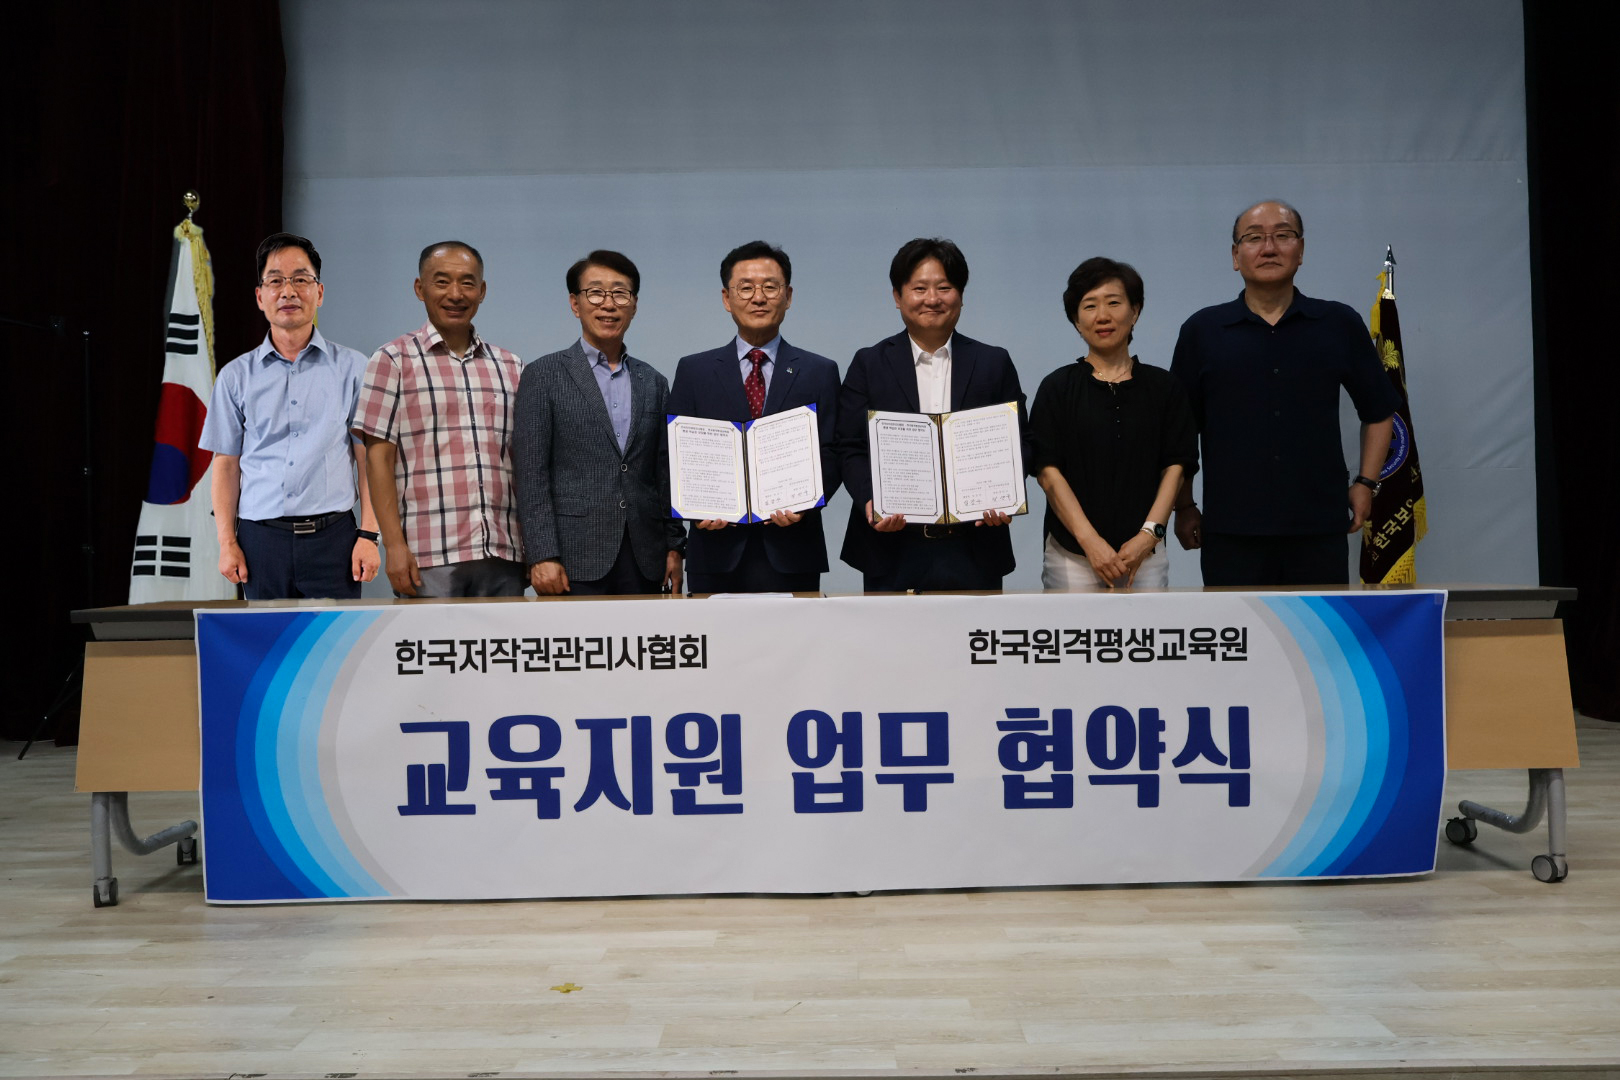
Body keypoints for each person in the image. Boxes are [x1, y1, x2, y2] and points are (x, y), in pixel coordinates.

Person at [1170, 200, 1401, 586]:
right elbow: (1179, 430)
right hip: (1231, 529)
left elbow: (1378, 409)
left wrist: (1366, 483)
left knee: (1319, 626)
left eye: (1283, 235)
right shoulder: (1203, 330)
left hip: (1319, 526)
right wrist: (1185, 504)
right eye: (1254, 238)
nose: (1269, 248)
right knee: (1235, 626)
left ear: (1301, 250)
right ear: (1235, 256)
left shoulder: (1338, 323)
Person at [835, 237, 1029, 592]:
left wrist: (1004, 497)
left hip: (976, 544)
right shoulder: (869, 363)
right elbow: (849, 446)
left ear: (961, 296)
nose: (932, 298)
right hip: (889, 546)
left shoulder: (993, 362)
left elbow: (1020, 443)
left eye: (944, 287)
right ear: (898, 297)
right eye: (919, 288)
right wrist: (870, 501)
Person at [200, 232, 379, 599]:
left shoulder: (354, 369)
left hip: (335, 542)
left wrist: (368, 534)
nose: (288, 291)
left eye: (301, 279)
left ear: (319, 292)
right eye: (276, 281)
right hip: (260, 542)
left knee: (336, 639)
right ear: (260, 296)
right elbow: (226, 464)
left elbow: (368, 458)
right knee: (267, 638)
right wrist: (227, 542)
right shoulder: (235, 376)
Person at [354, 241, 527, 598]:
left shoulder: (511, 366)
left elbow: (523, 462)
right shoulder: (392, 360)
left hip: (503, 551)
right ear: (420, 288)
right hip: (429, 555)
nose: (455, 294)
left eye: (467, 283)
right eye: (442, 281)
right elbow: (377, 459)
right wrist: (394, 545)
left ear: (482, 291)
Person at [666, 241, 841, 593]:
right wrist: (695, 509)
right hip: (714, 551)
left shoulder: (819, 371)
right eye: (745, 288)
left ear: (788, 296)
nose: (758, 298)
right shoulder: (694, 371)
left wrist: (805, 504)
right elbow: (672, 456)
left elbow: (834, 451)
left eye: (770, 287)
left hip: (794, 550)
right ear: (726, 298)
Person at [513, 250, 685, 595]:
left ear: (633, 305)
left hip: (645, 557)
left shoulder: (654, 381)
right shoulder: (543, 375)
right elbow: (531, 475)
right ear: (575, 304)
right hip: (572, 558)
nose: (608, 304)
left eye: (620, 293)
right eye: (595, 293)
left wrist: (674, 546)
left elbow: (664, 474)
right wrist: (542, 554)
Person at [1029, 257, 1197, 590]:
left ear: (1135, 311)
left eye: (1114, 303)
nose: (1102, 316)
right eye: (1089, 306)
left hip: (1146, 555)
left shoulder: (1165, 388)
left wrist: (1149, 535)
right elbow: (1047, 472)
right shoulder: (1057, 387)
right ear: (1076, 320)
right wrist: (1091, 542)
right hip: (1072, 556)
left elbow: (1176, 466)